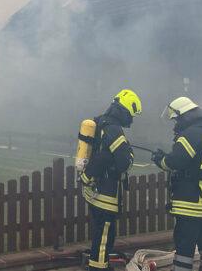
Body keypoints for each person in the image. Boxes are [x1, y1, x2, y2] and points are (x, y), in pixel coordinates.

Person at [152, 97, 202, 271]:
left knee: (184, 247)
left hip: (190, 201)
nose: (175, 123)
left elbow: (175, 162)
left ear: (184, 116)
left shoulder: (190, 134)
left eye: (176, 119)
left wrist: (159, 160)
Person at [79, 89, 139, 270]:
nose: (131, 119)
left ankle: (100, 265)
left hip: (96, 189)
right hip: (106, 192)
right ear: (125, 111)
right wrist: (129, 153)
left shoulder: (101, 122)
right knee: (104, 236)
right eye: (131, 114)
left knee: (103, 232)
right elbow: (123, 162)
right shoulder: (113, 128)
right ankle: (98, 268)